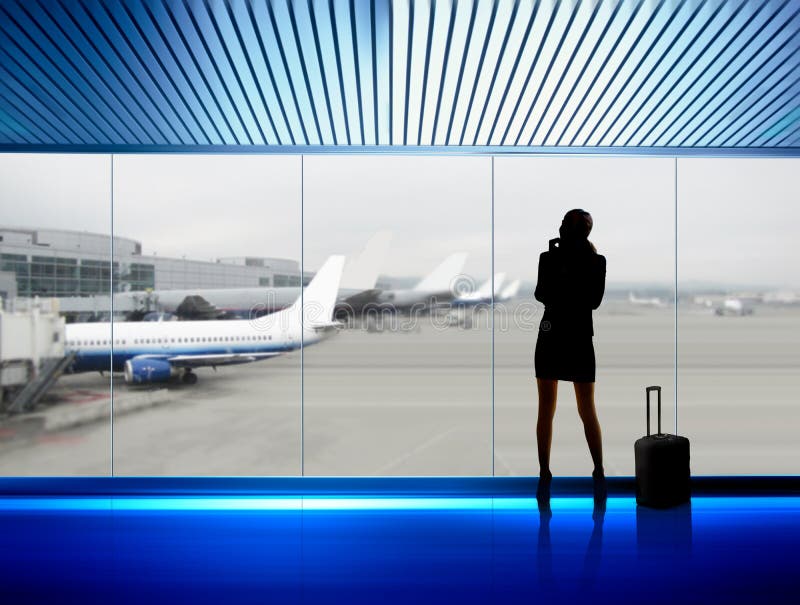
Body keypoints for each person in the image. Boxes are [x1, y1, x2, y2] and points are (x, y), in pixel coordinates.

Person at [534, 209, 607, 502]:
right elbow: (587, 300)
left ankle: (548, 473)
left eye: (564, 223)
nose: (559, 227)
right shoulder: (589, 261)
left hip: (556, 336)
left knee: (552, 409)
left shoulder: (557, 258)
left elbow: (545, 295)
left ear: (574, 230)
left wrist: (561, 267)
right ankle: (596, 472)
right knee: (583, 408)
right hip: (574, 337)